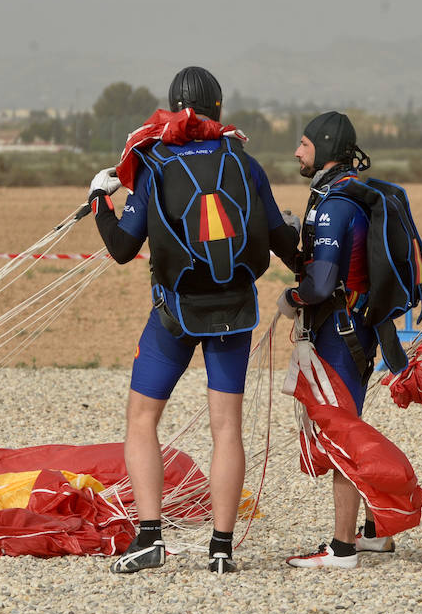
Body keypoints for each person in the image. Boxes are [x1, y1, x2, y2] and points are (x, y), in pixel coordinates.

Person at [89, 66, 300, 574]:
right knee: (226, 428)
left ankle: (149, 538)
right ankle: (222, 549)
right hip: (234, 311)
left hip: (174, 315)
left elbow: (121, 248)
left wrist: (100, 200)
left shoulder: (155, 161)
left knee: (142, 419)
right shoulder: (242, 161)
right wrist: (313, 280)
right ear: (219, 109)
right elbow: (280, 239)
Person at [277, 111, 391, 568]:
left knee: (342, 433)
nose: (297, 152)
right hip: (352, 329)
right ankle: (376, 532)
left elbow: (321, 285)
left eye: (304, 144)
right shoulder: (338, 196)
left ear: (323, 149)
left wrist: (290, 296)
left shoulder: (334, 205)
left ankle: (342, 548)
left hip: (341, 333)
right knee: (352, 427)